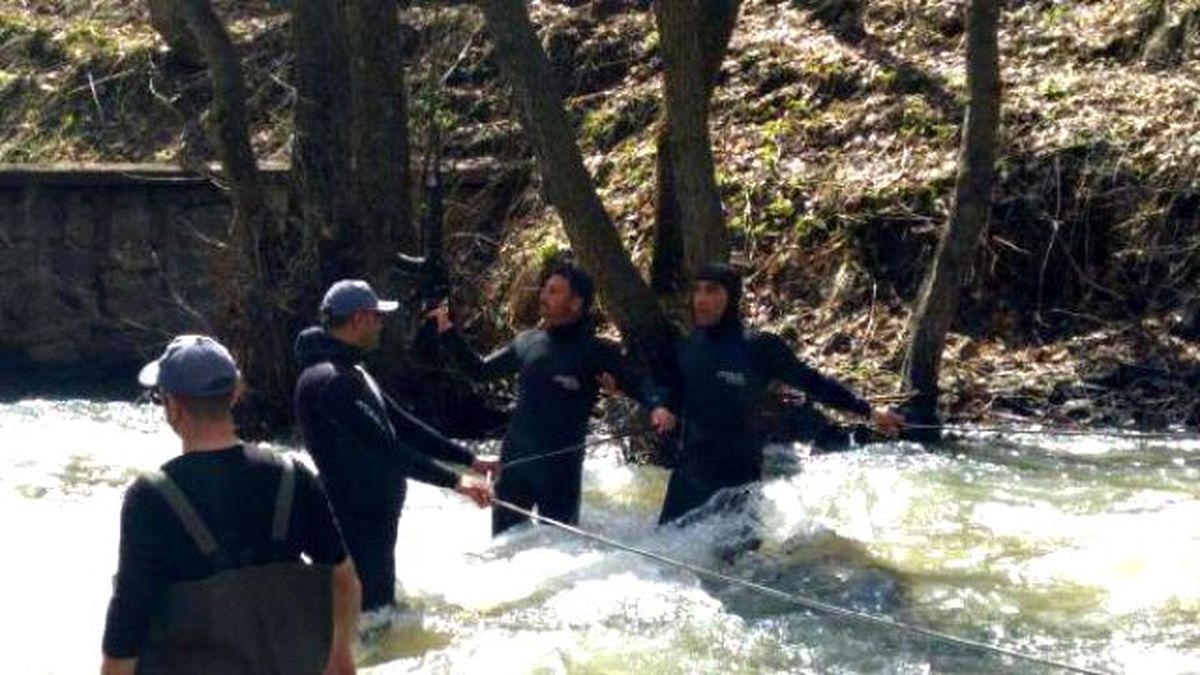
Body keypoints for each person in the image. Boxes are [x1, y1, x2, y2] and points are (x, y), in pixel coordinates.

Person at [102, 335, 360, 675]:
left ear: (173, 406)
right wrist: (340, 657)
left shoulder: (149, 498)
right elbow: (344, 577)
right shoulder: (292, 475)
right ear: (235, 393)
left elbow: (127, 624)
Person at [430, 259, 676, 535]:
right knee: (504, 551)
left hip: (560, 472)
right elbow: (479, 371)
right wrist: (446, 331)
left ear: (575, 304)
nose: (543, 296)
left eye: (553, 291)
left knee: (557, 554)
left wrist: (658, 407)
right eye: (545, 289)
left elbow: (640, 383)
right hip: (515, 466)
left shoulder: (596, 352)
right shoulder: (527, 342)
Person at [294, 279, 495, 611]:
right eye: (377, 316)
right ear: (359, 319)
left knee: (379, 611)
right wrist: (456, 481)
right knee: (373, 617)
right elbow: (386, 449)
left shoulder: (352, 371)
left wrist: (470, 460)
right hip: (356, 519)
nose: (381, 324)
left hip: (375, 518)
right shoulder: (332, 382)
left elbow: (403, 426)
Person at [658, 262, 905, 525]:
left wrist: (868, 411)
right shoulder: (688, 346)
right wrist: (664, 409)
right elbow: (674, 391)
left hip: (738, 479)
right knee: (663, 554)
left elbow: (813, 382)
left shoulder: (759, 348)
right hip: (689, 476)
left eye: (711, 290)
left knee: (738, 566)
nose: (701, 299)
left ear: (731, 297)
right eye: (697, 291)